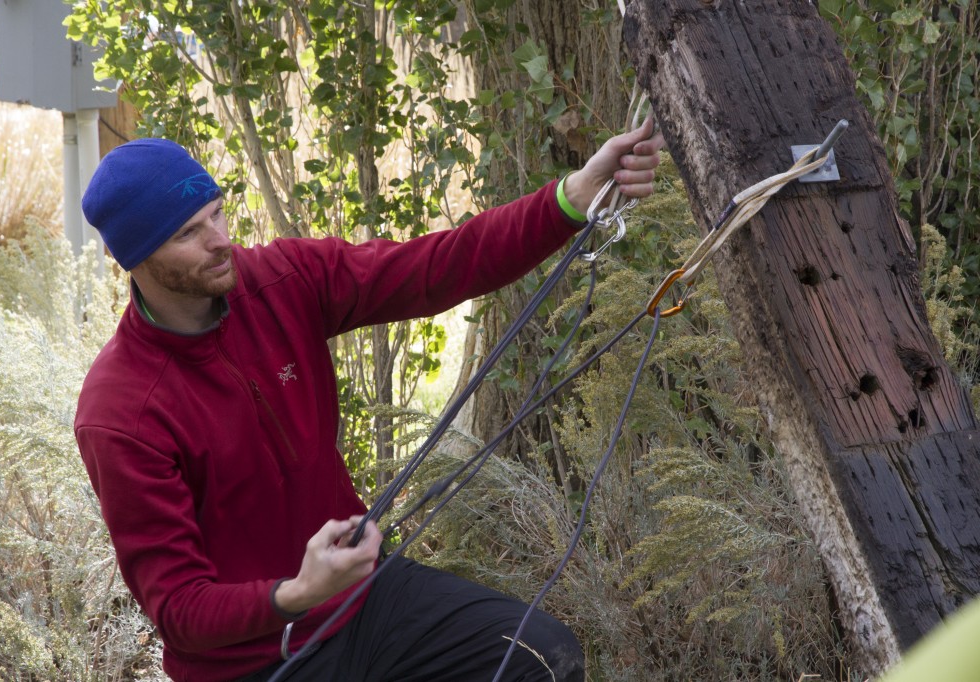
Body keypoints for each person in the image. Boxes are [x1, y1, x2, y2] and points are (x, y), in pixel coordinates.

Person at [74, 118, 664, 682]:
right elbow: (178, 608)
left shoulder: (283, 280)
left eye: (218, 213)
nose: (220, 240)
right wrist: (298, 592)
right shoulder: (120, 411)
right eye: (188, 233)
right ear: (132, 257)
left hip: (364, 600)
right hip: (253, 660)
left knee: (543, 659)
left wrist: (573, 196)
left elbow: (439, 265)